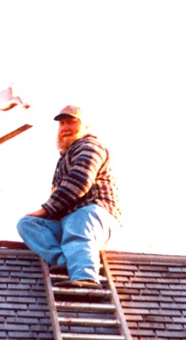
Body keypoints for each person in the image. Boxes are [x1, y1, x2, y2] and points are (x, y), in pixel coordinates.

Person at [16, 105, 121, 285]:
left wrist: (45, 210)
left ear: (86, 126)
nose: (65, 128)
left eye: (72, 122)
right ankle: (64, 261)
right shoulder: (66, 156)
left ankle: (85, 277)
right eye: (62, 124)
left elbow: (79, 181)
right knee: (28, 224)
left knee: (79, 221)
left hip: (94, 216)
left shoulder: (90, 146)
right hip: (69, 222)